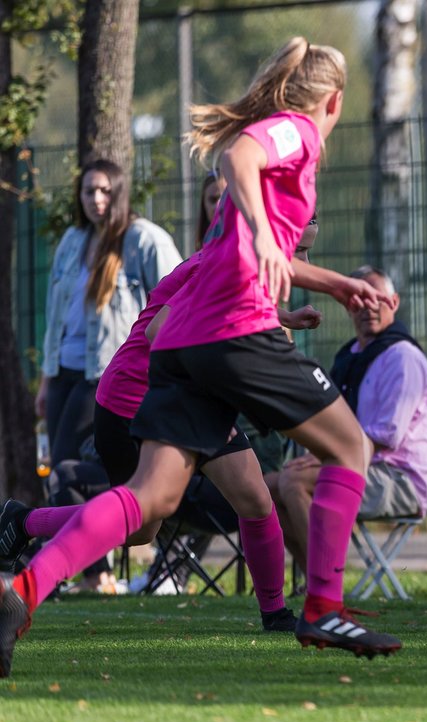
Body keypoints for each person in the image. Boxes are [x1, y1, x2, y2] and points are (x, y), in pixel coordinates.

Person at [0, 37, 397, 677]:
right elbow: (239, 153)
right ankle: (322, 606)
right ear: (334, 100)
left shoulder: (243, 203)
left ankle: (21, 591)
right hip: (229, 334)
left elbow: (247, 239)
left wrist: (335, 283)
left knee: (150, 501)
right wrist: (269, 237)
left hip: (186, 344)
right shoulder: (298, 131)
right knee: (349, 447)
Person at [0, 218, 324, 624]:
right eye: (297, 253)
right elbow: (160, 329)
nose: (303, 264)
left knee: (255, 499)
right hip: (134, 399)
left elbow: (229, 314)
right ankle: (23, 527)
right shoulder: (221, 265)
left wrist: (282, 317)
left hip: (191, 398)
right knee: (140, 528)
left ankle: (276, 615)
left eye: (308, 253)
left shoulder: (246, 269)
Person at [38, 159, 183, 592]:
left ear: (119, 192)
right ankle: (94, 572)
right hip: (65, 369)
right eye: (88, 192)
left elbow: (179, 295)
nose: (96, 199)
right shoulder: (72, 240)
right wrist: (46, 380)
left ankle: (90, 570)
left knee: (67, 466)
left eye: (104, 190)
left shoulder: (144, 239)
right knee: (61, 470)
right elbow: (53, 314)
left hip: (106, 374)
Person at [269, 266, 427, 570]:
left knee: (294, 482)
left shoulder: (403, 357)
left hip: (399, 477)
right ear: (348, 304)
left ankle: (326, 583)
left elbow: (388, 435)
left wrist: (324, 456)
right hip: (357, 463)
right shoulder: (351, 356)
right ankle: (311, 579)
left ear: (395, 302)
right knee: (268, 487)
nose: (369, 307)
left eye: (378, 299)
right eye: (360, 299)